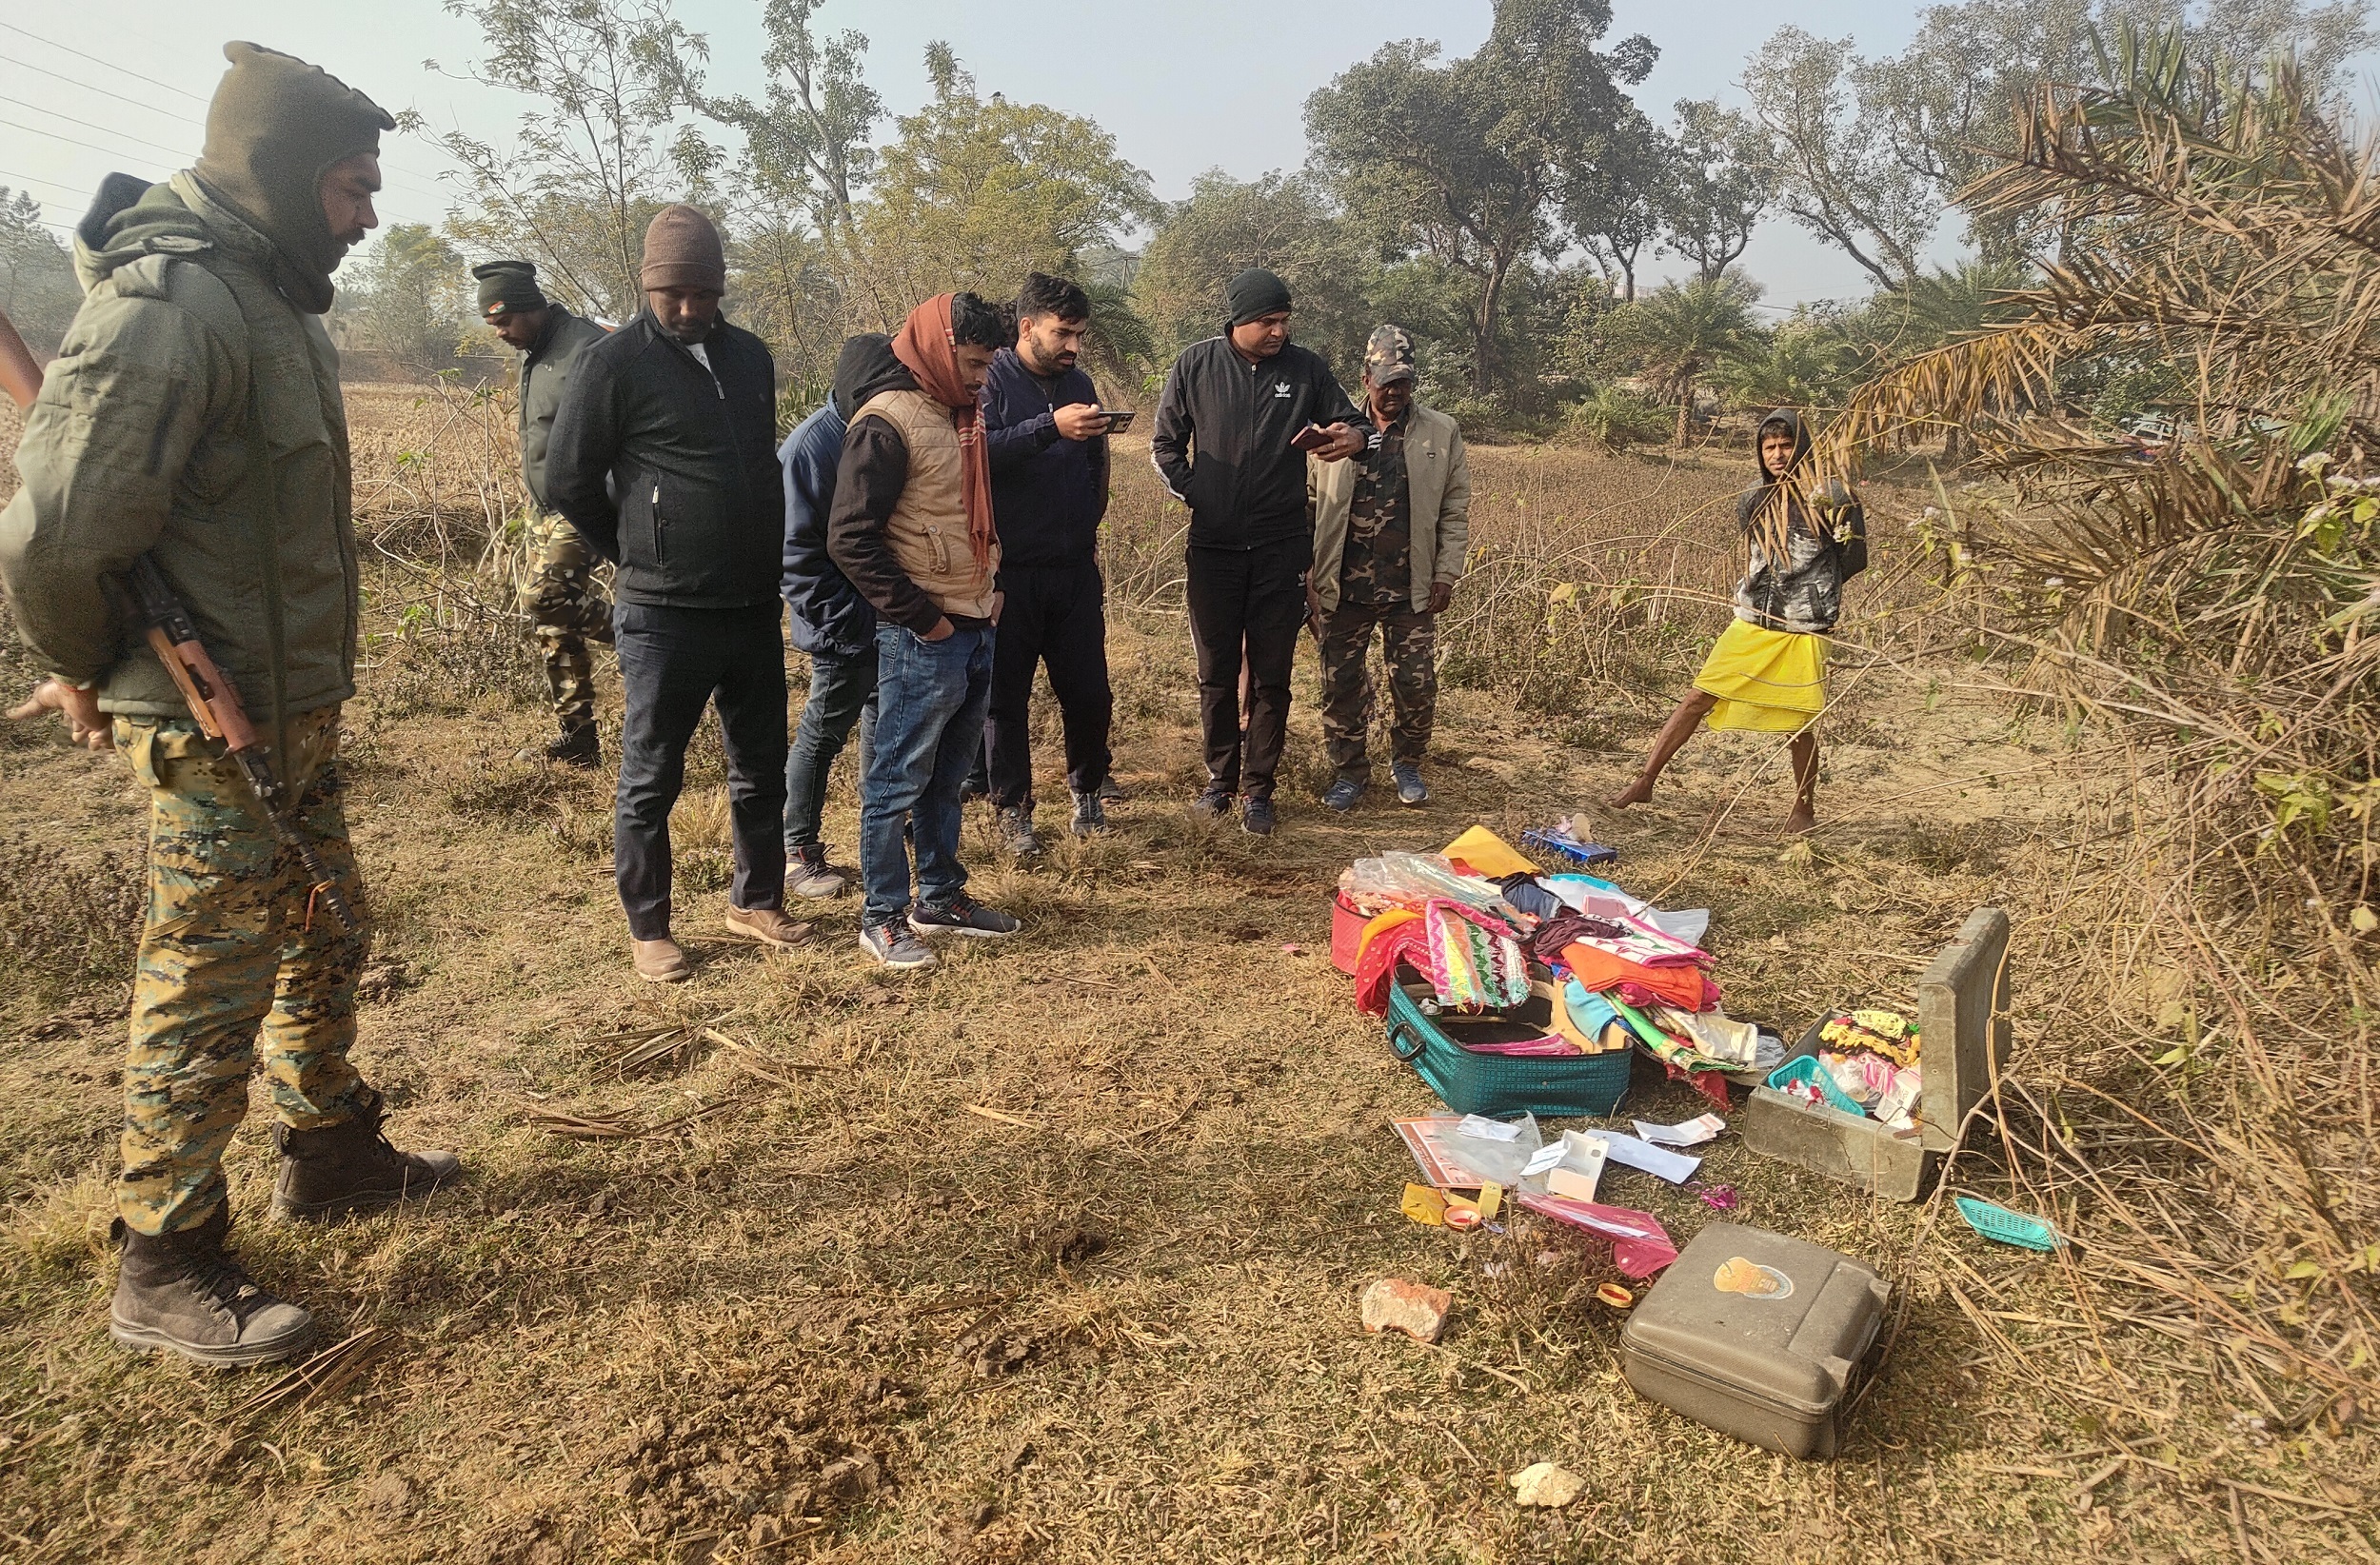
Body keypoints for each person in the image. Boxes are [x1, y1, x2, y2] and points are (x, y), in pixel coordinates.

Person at [0, 42, 457, 1368]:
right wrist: (86, 665)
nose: (367, 214)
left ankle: (330, 1149)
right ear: (282, 174)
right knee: (209, 974)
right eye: (352, 186)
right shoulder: (174, 306)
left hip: (291, 703)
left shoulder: (276, 301)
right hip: (208, 720)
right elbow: (59, 533)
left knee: (327, 924)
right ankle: (165, 1256)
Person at [545, 204, 810, 981]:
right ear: (646, 286)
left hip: (751, 603)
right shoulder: (612, 363)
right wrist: (636, 550)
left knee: (760, 763)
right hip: (664, 614)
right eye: (673, 295)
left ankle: (755, 900)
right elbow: (567, 479)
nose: (689, 309)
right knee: (652, 773)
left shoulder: (750, 357)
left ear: (721, 287)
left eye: (703, 293)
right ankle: (649, 924)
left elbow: (758, 465)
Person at [827, 292, 1023, 970]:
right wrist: (924, 618)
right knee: (895, 780)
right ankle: (881, 915)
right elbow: (850, 538)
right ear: (940, 351)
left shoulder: (961, 414)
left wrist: (991, 590)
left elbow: (970, 517)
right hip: (922, 636)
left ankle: (939, 897)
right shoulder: (886, 422)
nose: (983, 378)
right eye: (973, 364)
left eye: (989, 365)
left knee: (948, 776)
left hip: (974, 621)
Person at [1150, 267, 1366, 836]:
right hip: (1213, 547)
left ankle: (1258, 791)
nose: (1278, 331)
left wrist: (1352, 438)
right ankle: (1220, 782)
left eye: (1284, 321)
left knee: (1272, 675)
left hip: (1280, 547)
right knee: (1216, 672)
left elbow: (1354, 422)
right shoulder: (1195, 365)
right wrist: (1201, 495)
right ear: (1238, 320)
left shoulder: (1306, 368)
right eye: (1268, 321)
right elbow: (1164, 446)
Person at [1608, 408, 1866, 835]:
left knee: (1799, 722)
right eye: (1769, 448)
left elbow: (1854, 558)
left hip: (1805, 626)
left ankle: (1803, 810)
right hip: (1752, 619)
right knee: (1698, 697)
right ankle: (1646, 781)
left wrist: (1814, 593)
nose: (1778, 455)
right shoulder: (1753, 498)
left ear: (1802, 448)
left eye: (1786, 446)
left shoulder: (1834, 497)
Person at [980, 272, 1116, 857]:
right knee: (1004, 698)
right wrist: (1047, 428)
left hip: (1073, 569)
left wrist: (1087, 525)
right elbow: (977, 455)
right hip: (1009, 571)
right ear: (1027, 326)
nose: (1073, 346)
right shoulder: (991, 380)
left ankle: (1088, 791)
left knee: (1089, 692)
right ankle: (1013, 809)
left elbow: (1096, 464)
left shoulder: (1079, 382)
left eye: (1079, 334)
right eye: (1063, 333)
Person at [1309, 326, 1471, 811]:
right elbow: (1308, 503)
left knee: (1415, 683)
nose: (1395, 392)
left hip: (1410, 585)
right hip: (1343, 584)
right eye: (1386, 382)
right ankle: (1349, 773)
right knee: (1341, 683)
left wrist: (1446, 573)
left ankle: (1408, 764)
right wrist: (1307, 576)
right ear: (1366, 379)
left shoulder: (1441, 431)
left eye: (1404, 382)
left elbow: (1454, 509)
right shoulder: (1330, 431)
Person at [779, 333, 912, 899]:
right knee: (824, 731)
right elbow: (795, 556)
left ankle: (879, 832)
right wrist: (851, 623)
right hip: (842, 624)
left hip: (886, 618)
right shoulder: (812, 447)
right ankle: (796, 851)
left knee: (884, 727)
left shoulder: (877, 433)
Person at [474, 260, 615, 766]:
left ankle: (645, 634)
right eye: (493, 325)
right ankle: (579, 739)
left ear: (528, 307)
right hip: (541, 508)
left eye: (504, 321)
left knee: (545, 598)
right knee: (554, 626)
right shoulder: (533, 352)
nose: (500, 333)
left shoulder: (586, 348)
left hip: (582, 506)